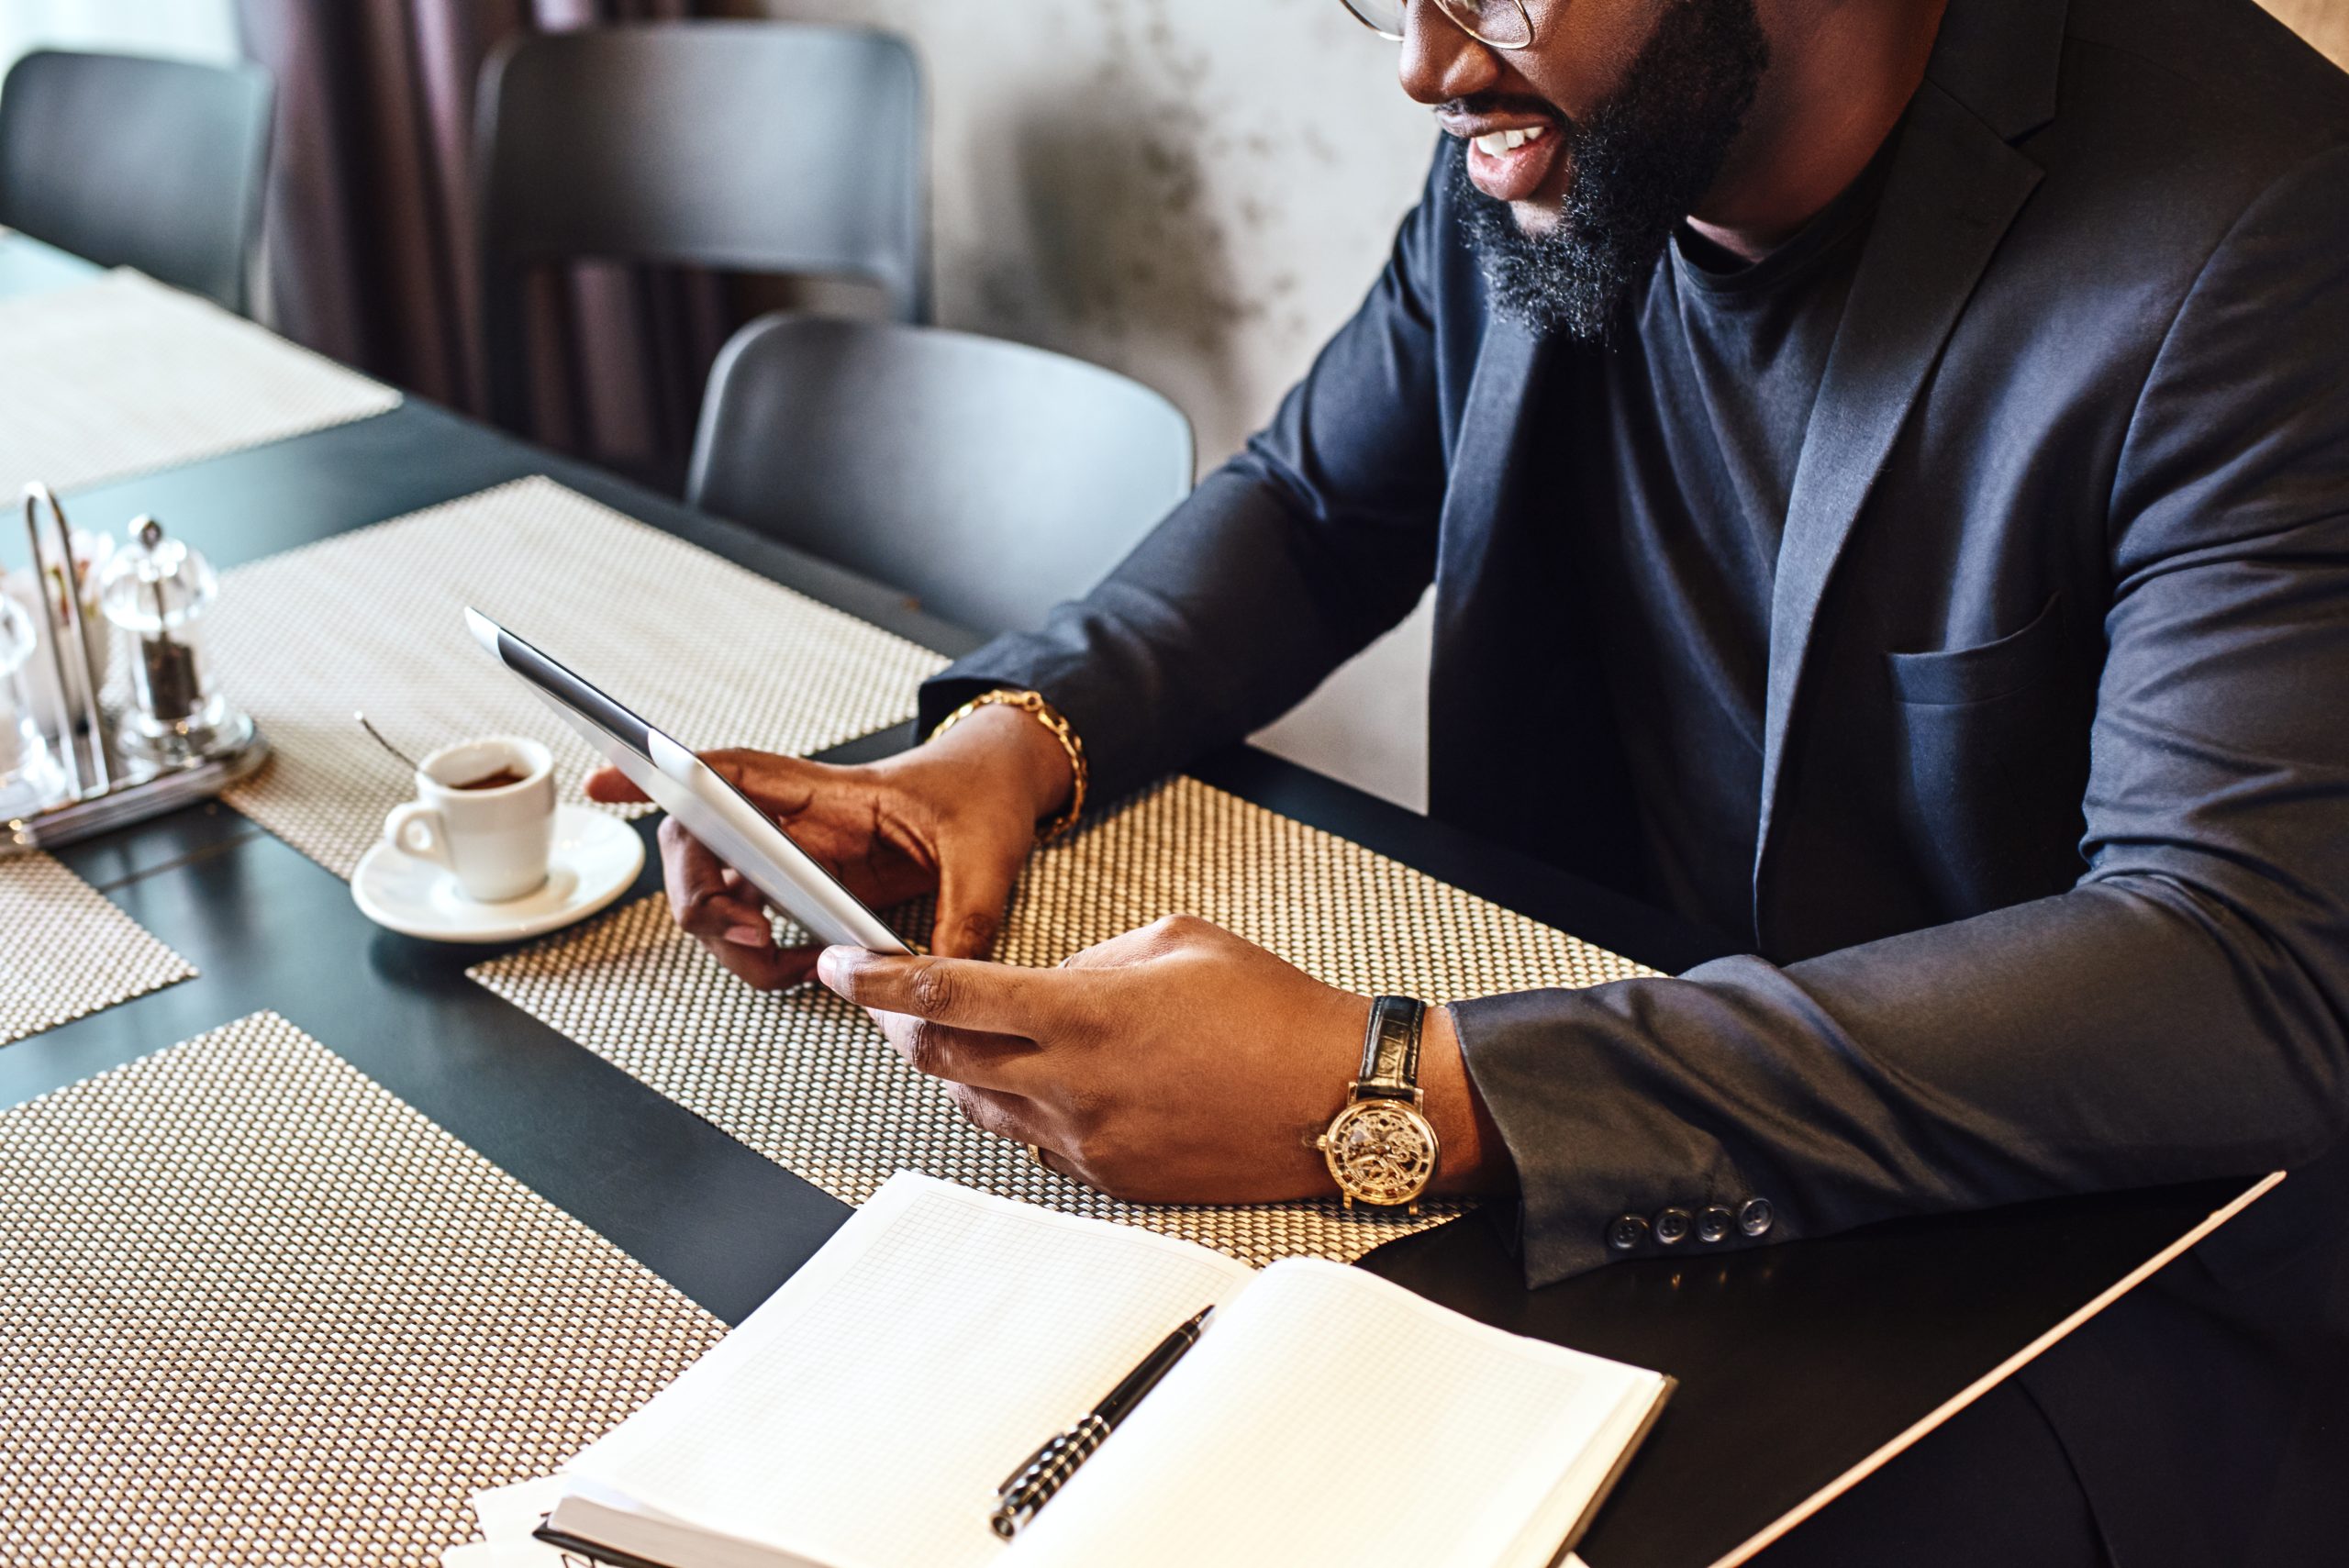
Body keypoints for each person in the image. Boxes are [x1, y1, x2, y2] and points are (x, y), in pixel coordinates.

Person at [590, 0, 2349, 1560]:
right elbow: (1313, 505)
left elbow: (2234, 968)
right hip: (1608, 1149)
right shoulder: (1554, 137)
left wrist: (1402, 1084)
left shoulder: (2261, 228)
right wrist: (1007, 748)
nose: (1431, 64)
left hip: (2063, 1278)